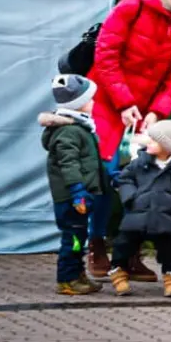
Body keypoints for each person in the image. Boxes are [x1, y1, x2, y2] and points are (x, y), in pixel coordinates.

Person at [86, 0, 171, 282]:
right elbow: (105, 56)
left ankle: (130, 253)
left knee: (147, 176)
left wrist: (156, 112)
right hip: (109, 103)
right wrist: (123, 102)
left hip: (146, 112)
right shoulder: (131, 7)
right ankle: (96, 244)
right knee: (108, 174)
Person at [107, 120, 171, 299]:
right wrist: (130, 197)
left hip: (165, 217)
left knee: (168, 249)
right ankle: (118, 273)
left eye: (153, 140)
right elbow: (124, 179)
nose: (147, 142)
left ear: (167, 146)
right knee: (123, 244)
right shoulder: (140, 163)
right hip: (137, 215)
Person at [41, 74, 107, 295]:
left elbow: (88, 162)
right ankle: (67, 279)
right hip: (72, 198)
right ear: (78, 104)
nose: (94, 103)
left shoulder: (80, 128)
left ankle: (77, 274)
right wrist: (77, 191)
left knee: (79, 236)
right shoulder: (69, 132)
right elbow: (69, 165)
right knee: (73, 238)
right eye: (90, 99)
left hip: (81, 195)